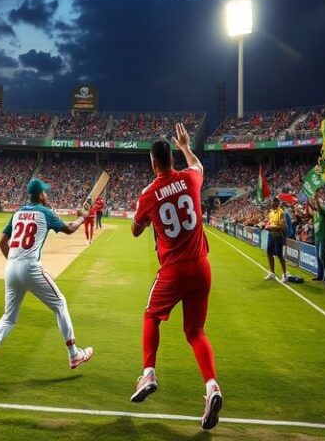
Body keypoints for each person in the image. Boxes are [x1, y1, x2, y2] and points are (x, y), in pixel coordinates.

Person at [129, 123, 222, 431]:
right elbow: (197, 164)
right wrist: (185, 146)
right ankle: (211, 388)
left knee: (150, 316)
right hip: (201, 266)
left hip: (174, 269)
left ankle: (149, 373)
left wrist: (141, 214)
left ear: (153, 163)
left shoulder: (148, 193)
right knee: (196, 332)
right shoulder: (190, 178)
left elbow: (136, 229)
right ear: (171, 158)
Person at [0, 178, 93, 386]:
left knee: (9, 318)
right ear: (40, 195)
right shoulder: (45, 212)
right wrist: (82, 218)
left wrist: (14, 263)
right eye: (45, 193)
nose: (46, 195)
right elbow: (69, 229)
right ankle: (74, 354)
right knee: (60, 304)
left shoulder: (18, 212)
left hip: (11, 267)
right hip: (30, 267)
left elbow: (2, 241)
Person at [264, 197, 288, 282]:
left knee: (279, 255)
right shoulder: (271, 213)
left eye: (273, 203)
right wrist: (267, 226)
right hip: (271, 235)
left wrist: (272, 228)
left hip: (278, 236)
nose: (272, 204)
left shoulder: (281, 213)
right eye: (271, 203)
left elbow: (283, 227)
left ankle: (285, 275)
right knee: (269, 253)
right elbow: (269, 223)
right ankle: (272, 273)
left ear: (277, 204)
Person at [309, 195, 325, 283]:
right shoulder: (316, 215)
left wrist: (316, 200)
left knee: (322, 256)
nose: (317, 205)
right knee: (318, 257)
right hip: (317, 237)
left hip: (324, 237)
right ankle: (320, 275)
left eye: (319, 203)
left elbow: (320, 208)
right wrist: (312, 199)